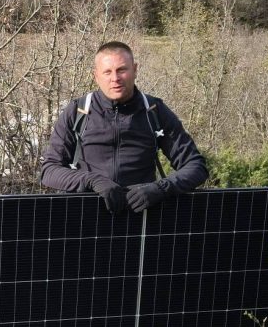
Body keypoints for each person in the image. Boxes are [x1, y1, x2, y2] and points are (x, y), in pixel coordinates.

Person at [40, 41, 207, 212]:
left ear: (135, 69)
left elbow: (196, 166)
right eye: (107, 72)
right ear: (96, 76)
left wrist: (161, 189)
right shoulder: (78, 111)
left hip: (142, 219)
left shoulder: (154, 111)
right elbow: (50, 171)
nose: (115, 78)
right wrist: (91, 181)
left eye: (122, 70)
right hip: (85, 217)